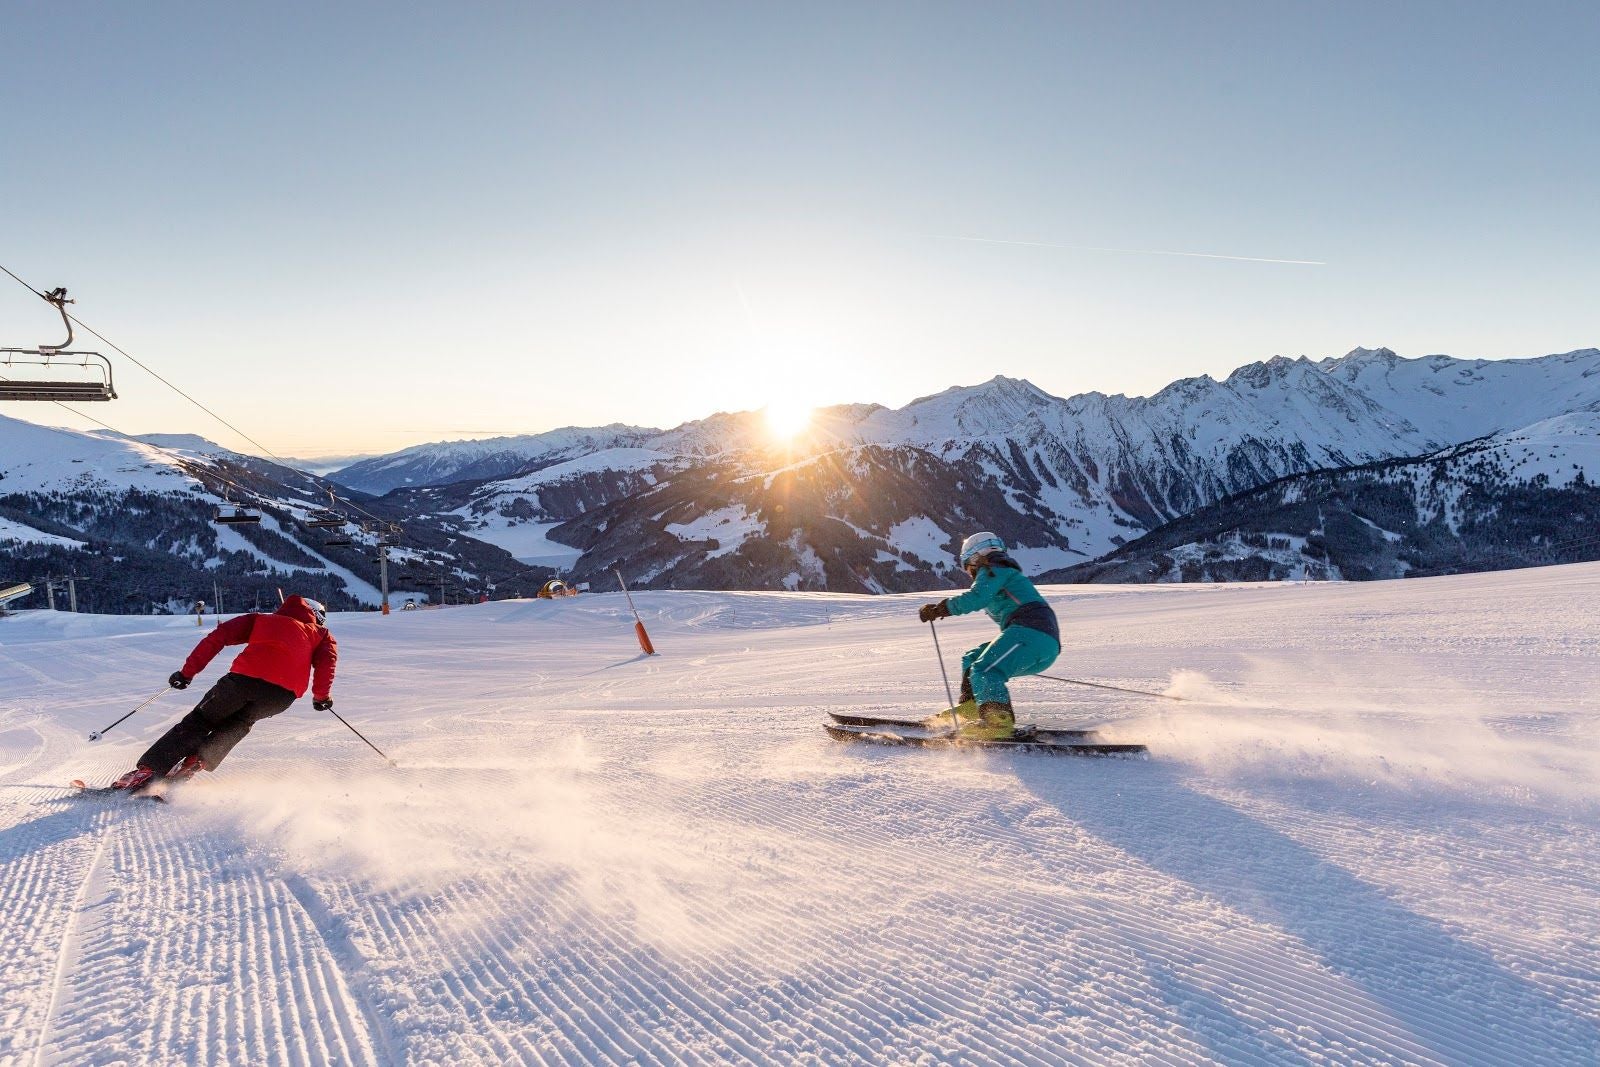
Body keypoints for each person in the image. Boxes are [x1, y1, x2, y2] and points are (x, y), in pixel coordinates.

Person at [110, 595, 338, 790]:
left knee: (201, 720)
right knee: (241, 723)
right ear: (317, 615)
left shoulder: (261, 619)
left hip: (241, 682)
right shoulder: (322, 634)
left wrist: (186, 673)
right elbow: (327, 663)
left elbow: (217, 637)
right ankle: (194, 763)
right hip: (281, 697)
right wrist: (321, 697)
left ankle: (149, 771)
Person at [917, 532, 1060, 740]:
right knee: (973, 658)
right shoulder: (1002, 571)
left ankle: (998, 722)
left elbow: (977, 597)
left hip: (1032, 633)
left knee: (986, 669)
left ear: (973, 559)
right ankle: (974, 706)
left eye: (968, 567)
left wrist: (942, 609)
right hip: (1035, 638)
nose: (970, 572)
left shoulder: (993, 568)